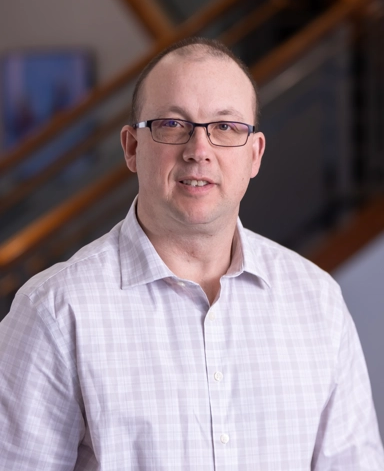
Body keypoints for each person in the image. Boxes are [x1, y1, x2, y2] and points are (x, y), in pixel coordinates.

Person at [0, 37, 383, 470]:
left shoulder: (319, 303)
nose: (199, 150)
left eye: (225, 127)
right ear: (131, 147)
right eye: (171, 124)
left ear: (254, 155)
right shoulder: (53, 312)